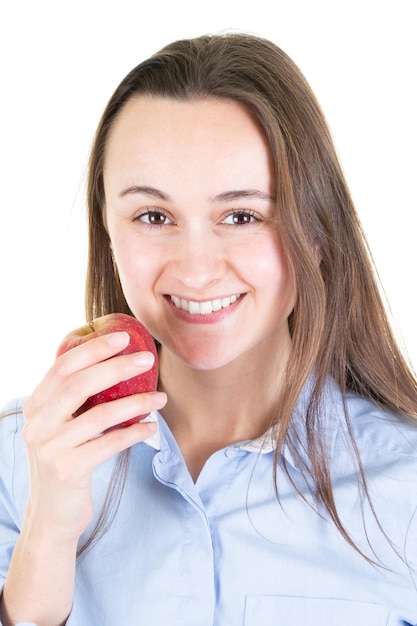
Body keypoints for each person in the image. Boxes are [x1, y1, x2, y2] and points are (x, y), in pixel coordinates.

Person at [1, 32, 416, 626]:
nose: (196, 270)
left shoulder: (405, 483)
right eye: (153, 216)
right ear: (109, 231)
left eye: (242, 215)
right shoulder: (18, 464)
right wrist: (47, 536)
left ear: (317, 233)